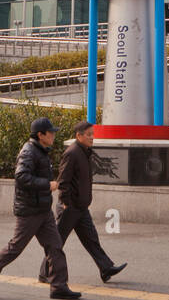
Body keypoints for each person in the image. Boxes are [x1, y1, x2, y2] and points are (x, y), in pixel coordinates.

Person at [0, 117, 80, 300]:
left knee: (55, 247)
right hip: (30, 210)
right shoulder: (29, 151)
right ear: (40, 135)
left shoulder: (41, 151)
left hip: (43, 210)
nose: (54, 135)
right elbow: (21, 177)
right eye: (51, 132)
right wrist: (47, 185)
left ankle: (59, 286)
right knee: (15, 248)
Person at [39, 121, 126, 285]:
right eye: (89, 135)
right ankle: (45, 273)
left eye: (93, 134)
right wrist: (65, 202)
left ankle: (106, 268)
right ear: (79, 136)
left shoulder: (85, 152)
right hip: (70, 206)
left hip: (81, 206)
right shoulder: (72, 153)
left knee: (91, 239)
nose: (92, 137)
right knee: (58, 240)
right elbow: (63, 180)